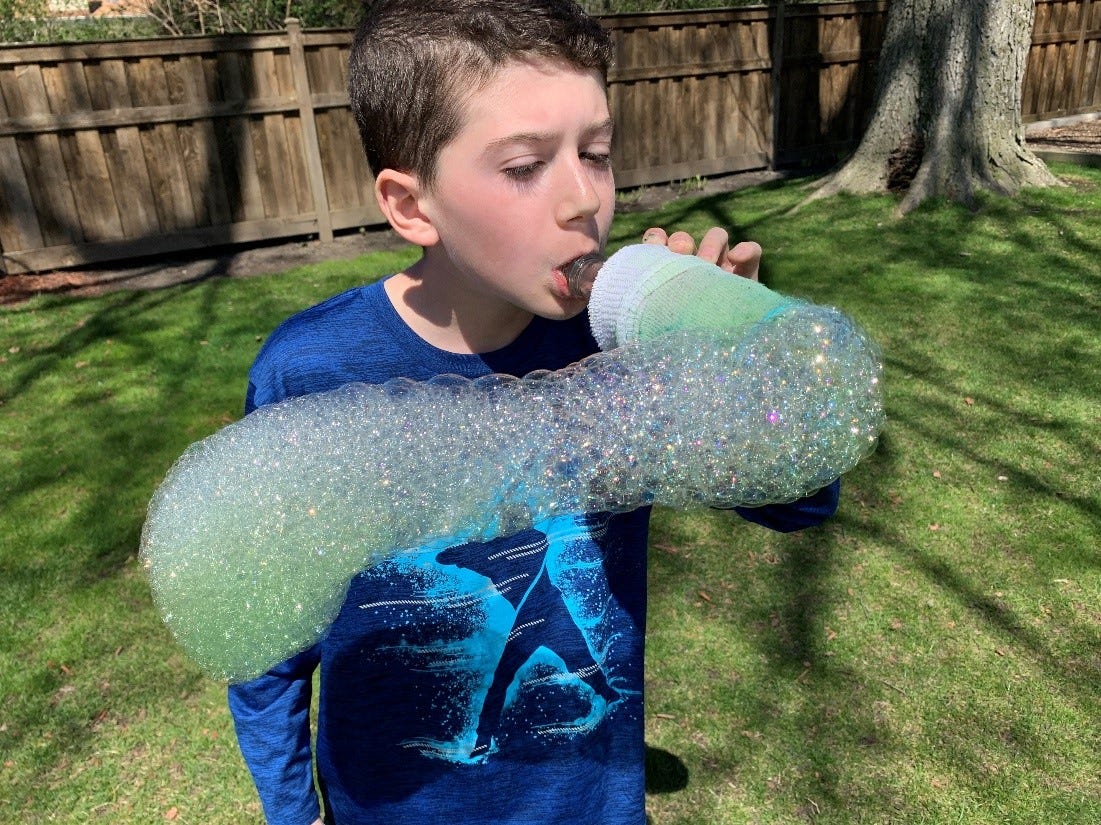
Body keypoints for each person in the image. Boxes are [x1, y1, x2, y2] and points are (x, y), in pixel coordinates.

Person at [228, 2, 840, 824]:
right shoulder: (310, 371)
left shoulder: (621, 351)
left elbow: (803, 502)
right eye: (524, 167)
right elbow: (268, 636)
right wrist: (290, 808)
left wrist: (735, 377)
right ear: (412, 205)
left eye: (595, 153)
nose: (581, 200)